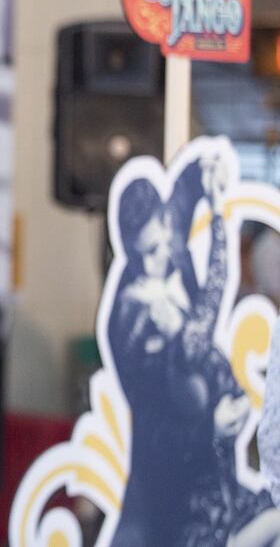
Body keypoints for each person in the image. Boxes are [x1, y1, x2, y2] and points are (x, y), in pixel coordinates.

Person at [107, 156, 275, 547]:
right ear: (131, 250)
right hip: (177, 494)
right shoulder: (134, 320)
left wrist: (205, 170)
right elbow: (152, 428)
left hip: (220, 474)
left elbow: (182, 195)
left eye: (164, 242)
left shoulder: (169, 246)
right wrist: (209, 428)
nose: (161, 258)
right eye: (148, 251)